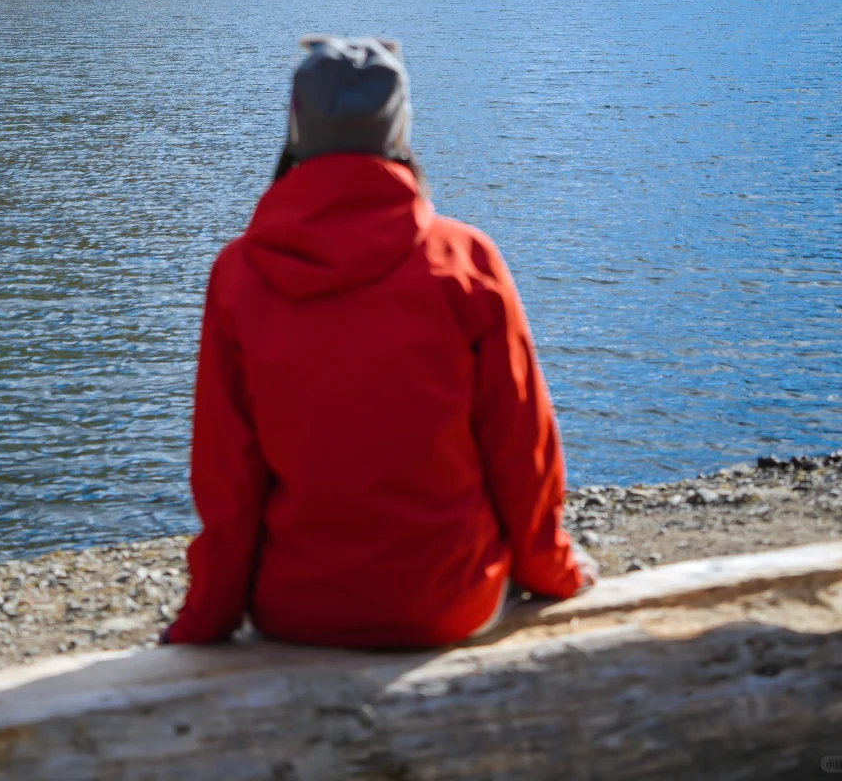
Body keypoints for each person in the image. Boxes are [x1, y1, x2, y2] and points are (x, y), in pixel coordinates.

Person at [164, 35, 595, 649]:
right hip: (451, 600)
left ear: (294, 127)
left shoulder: (238, 273)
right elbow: (520, 444)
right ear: (400, 131)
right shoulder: (466, 259)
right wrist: (552, 571)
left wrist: (206, 620)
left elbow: (226, 475)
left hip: (298, 611)